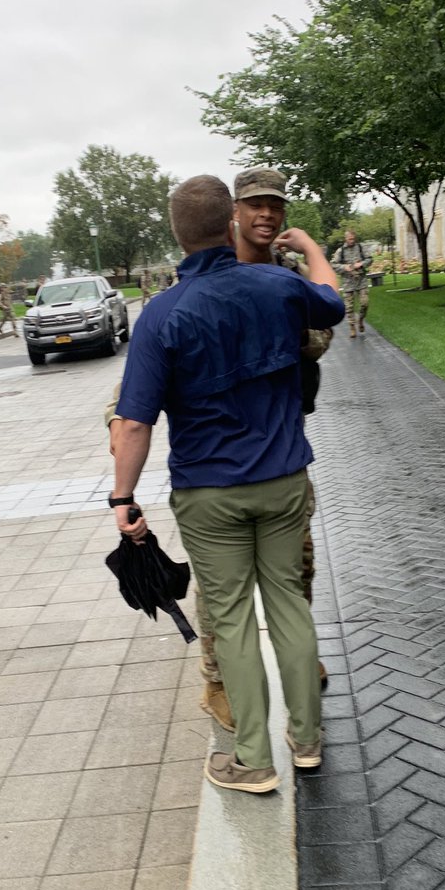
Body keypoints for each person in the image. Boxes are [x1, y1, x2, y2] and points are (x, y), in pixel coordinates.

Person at [111, 175, 344, 793]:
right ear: (231, 221)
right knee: (290, 606)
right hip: (284, 480)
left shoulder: (161, 314)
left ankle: (253, 761)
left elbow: (133, 420)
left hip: (209, 493)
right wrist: (315, 252)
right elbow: (333, 304)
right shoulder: (280, 285)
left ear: (176, 232)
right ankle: (308, 742)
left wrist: (123, 499)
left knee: (234, 619)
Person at [332, 229, 372, 337]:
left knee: (365, 303)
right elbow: (334, 265)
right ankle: (352, 327)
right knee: (349, 307)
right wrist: (344, 267)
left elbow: (370, 259)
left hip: (361, 280)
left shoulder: (360, 247)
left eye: (353, 239)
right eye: (350, 239)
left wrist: (361, 264)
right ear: (346, 238)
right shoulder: (341, 251)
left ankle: (361, 320)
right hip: (347, 282)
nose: (352, 241)